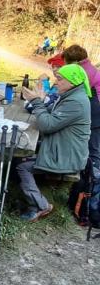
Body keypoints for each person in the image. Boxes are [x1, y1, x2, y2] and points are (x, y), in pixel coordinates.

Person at [17, 65, 91, 221]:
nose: (56, 83)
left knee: (22, 166)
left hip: (67, 157)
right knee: (21, 152)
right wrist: (41, 101)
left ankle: (40, 205)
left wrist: (37, 102)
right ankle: (25, 196)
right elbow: (49, 114)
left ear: (72, 81)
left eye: (60, 79)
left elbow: (47, 125)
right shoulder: (71, 96)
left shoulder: (75, 102)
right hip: (64, 149)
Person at [62, 44, 100, 172]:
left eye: (66, 61)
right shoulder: (86, 66)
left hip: (95, 107)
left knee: (93, 144)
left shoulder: (83, 71)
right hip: (94, 105)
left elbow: (73, 89)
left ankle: (93, 177)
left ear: (73, 60)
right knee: (92, 142)